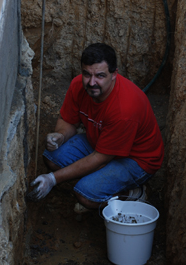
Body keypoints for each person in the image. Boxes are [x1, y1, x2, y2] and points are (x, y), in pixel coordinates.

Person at [31, 43, 164, 211]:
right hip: (100, 141)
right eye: (86, 74)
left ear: (114, 74)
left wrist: (52, 179)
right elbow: (69, 121)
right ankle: (99, 180)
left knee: (85, 195)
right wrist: (61, 135)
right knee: (52, 157)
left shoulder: (125, 108)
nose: (92, 83)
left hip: (137, 159)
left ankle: (133, 194)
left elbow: (100, 158)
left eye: (100, 76)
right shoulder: (78, 85)